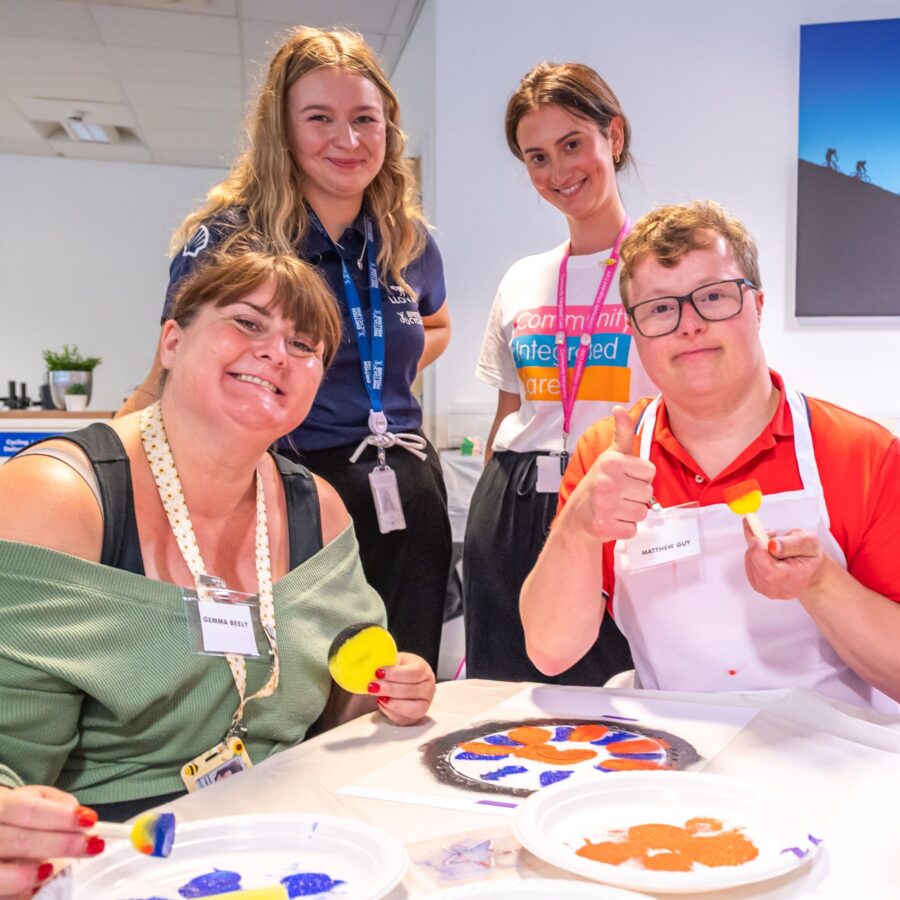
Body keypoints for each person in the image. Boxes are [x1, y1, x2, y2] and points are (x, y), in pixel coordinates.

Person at [0, 250, 436, 897]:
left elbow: (343, 697)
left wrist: (390, 689)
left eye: (302, 343)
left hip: (293, 847)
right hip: (114, 858)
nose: (275, 352)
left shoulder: (317, 508)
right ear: (171, 341)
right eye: (249, 323)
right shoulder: (59, 498)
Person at [119, 27, 452, 671]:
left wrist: (375, 383)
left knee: (405, 675)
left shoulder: (408, 241)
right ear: (283, 129)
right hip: (285, 484)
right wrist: (109, 470)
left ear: (389, 129)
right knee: (297, 685)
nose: (348, 140)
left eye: (365, 119)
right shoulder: (233, 237)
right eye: (319, 118)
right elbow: (173, 364)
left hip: (403, 483)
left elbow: (434, 327)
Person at [520, 200, 900, 712]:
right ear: (633, 332)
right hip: (672, 757)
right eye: (660, 308)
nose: (689, 325)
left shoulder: (862, 455)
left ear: (758, 307)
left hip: (830, 760)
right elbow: (550, 651)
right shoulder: (611, 457)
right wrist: (577, 529)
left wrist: (820, 582)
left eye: (714, 297)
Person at [463, 62, 654, 683]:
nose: (558, 171)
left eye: (572, 144)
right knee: (501, 695)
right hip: (512, 501)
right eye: (536, 156)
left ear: (614, 138)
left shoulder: (660, 274)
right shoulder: (523, 279)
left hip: (615, 500)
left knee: (607, 698)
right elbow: (506, 416)